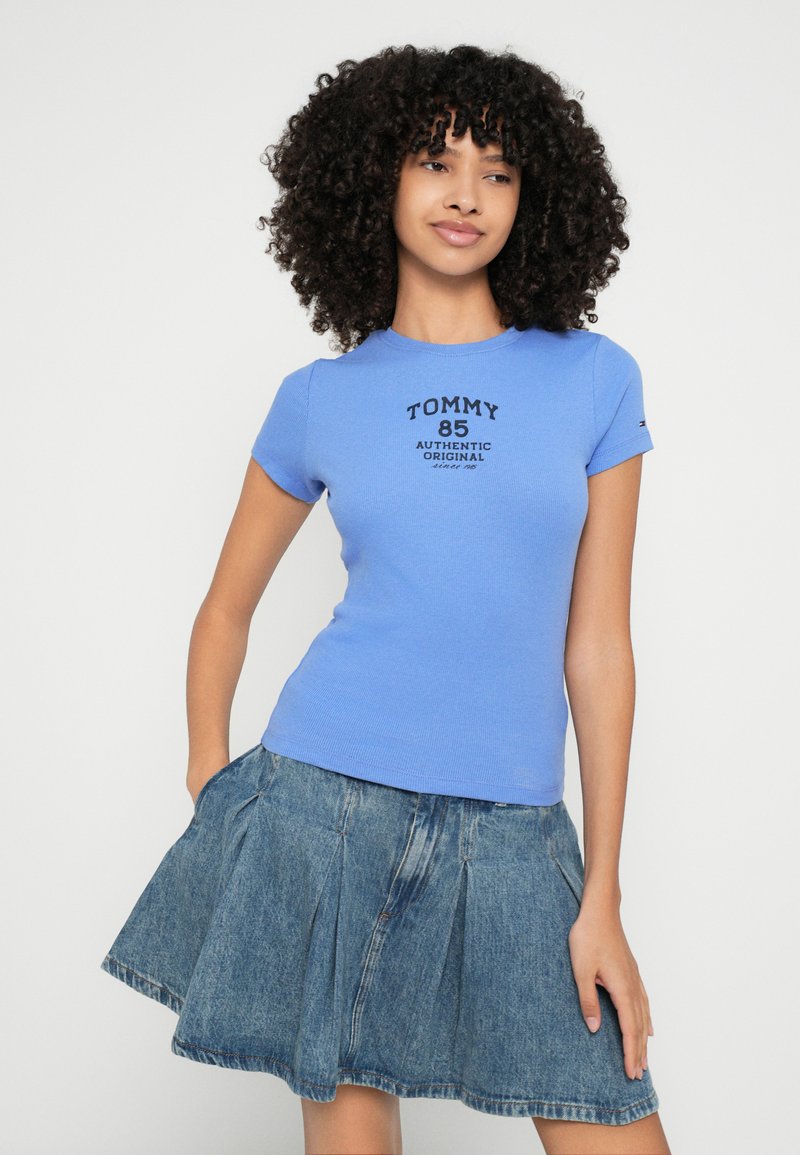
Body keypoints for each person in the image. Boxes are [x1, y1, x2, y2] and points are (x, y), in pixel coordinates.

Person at [100, 43, 672, 1155]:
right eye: (434, 162)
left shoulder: (594, 379)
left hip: (514, 832)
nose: (466, 195)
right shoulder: (320, 398)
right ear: (375, 179)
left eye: (497, 171)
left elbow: (599, 646)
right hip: (323, 810)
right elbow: (224, 610)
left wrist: (599, 890)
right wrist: (213, 779)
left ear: (535, 199)